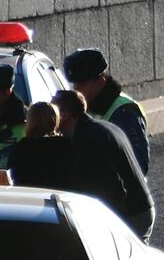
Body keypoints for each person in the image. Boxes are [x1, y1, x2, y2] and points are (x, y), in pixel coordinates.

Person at [50, 90, 156, 240]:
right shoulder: (101, 127)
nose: (50, 116)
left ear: (65, 115)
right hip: (141, 207)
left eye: (53, 111)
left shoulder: (87, 138)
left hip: (130, 214)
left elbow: (108, 187)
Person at [63, 48, 150, 174]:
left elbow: (137, 165)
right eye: (74, 84)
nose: (76, 89)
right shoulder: (84, 107)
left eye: (82, 84)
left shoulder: (124, 113)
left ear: (100, 82)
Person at [8, 101, 75, 187]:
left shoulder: (23, 147)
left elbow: (14, 177)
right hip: (58, 196)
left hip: (29, 195)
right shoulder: (65, 146)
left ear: (31, 121)